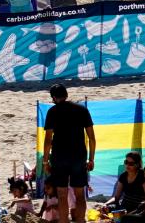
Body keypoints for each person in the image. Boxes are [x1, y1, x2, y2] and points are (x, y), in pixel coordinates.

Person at [43, 85, 95, 223]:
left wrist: (45, 161)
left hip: (59, 157)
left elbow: (48, 140)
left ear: (53, 98)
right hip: (79, 156)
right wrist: (91, 159)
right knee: (79, 195)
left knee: (62, 194)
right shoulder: (82, 110)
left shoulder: (52, 112)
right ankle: (80, 221)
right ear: (66, 94)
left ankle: (64, 221)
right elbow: (92, 138)